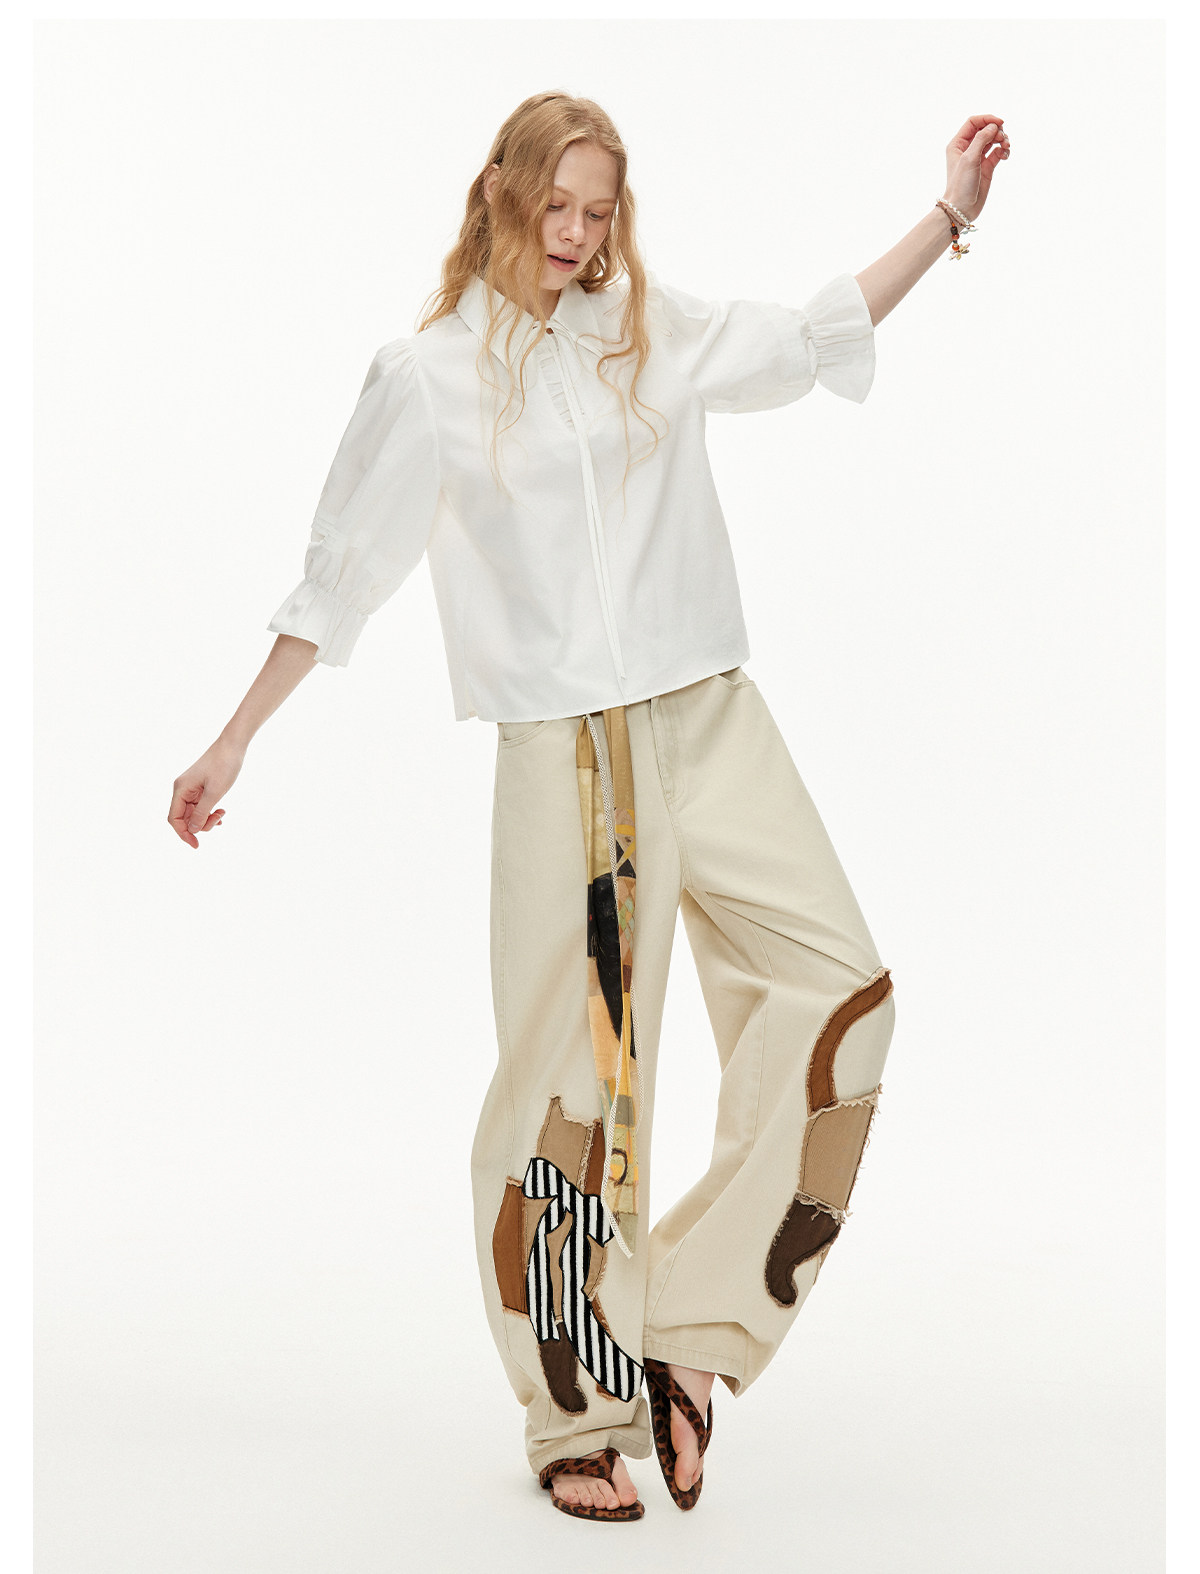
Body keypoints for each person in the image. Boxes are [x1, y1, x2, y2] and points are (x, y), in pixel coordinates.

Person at [167, 90, 1010, 1522]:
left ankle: (689, 1328)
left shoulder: (648, 330)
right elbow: (342, 574)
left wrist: (947, 219)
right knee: (572, 1092)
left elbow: (813, 335)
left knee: (842, 990)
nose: (574, 233)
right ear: (499, 191)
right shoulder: (428, 375)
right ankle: (572, 1412)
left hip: (712, 719)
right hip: (562, 757)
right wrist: (235, 738)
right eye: (554, 204)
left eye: (598, 209)